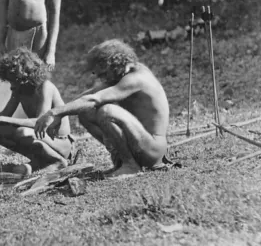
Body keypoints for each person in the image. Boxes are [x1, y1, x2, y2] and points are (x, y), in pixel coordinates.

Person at [34, 39, 170, 179]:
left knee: (107, 111)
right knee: (85, 112)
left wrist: (54, 112)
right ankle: (121, 161)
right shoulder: (121, 74)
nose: (101, 79)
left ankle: (130, 166)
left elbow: (94, 99)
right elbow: (88, 96)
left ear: (115, 64)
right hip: (140, 143)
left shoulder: (136, 78)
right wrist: (60, 115)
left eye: (103, 74)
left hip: (152, 149)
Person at [0, 48, 75, 175]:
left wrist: (0, 120)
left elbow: (38, 122)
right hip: (43, 140)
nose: (11, 85)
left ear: (25, 76)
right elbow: (5, 114)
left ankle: (58, 161)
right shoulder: (19, 89)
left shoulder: (45, 87)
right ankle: (39, 162)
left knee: (22, 132)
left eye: (13, 80)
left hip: (60, 144)